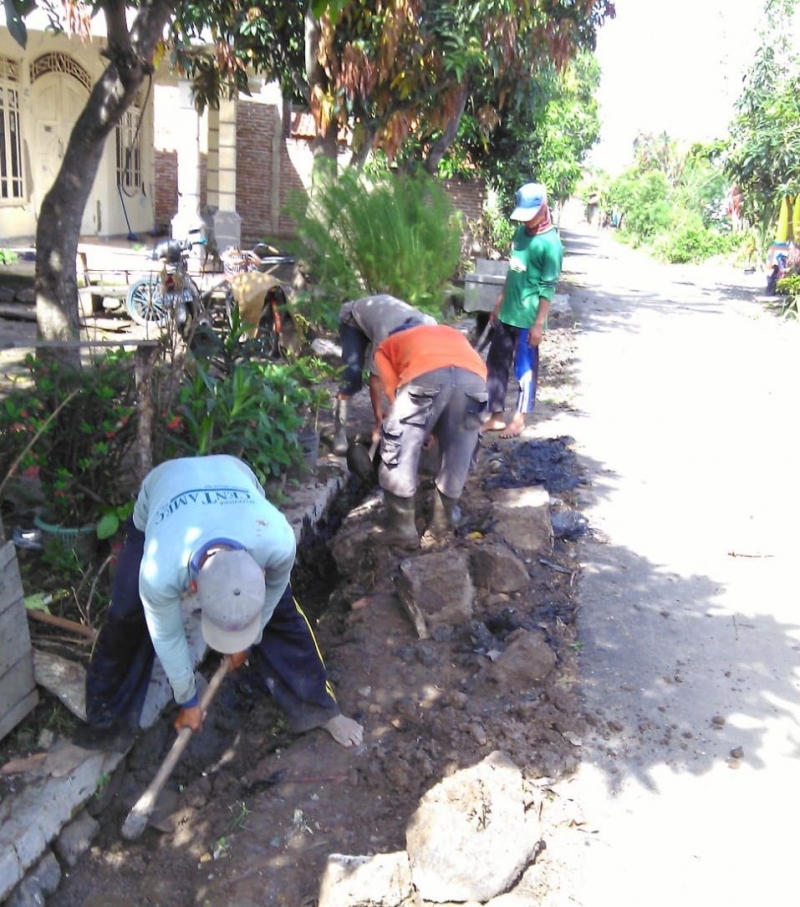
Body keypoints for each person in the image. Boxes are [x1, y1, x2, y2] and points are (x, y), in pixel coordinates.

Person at [80, 454, 363, 749]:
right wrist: (188, 700)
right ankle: (106, 720)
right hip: (164, 489)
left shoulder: (276, 540)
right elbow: (168, 637)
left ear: (260, 571)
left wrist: (248, 639)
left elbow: (271, 601)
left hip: (234, 474)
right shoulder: (159, 570)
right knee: (126, 614)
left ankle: (318, 708)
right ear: (193, 587)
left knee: (283, 613)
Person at [373, 323, 488, 548]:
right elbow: (456, 383)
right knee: (459, 451)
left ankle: (402, 529)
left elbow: (393, 394)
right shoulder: (451, 334)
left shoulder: (386, 347)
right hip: (474, 381)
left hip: (425, 378)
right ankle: (442, 524)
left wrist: (415, 428)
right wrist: (434, 425)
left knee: (399, 448)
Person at [481, 182, 564, 439]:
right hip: (507, 312)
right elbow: (513, 272)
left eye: (531, 215)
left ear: (543, 208)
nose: (527, 221)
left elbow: (547, 289)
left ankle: (519, 419)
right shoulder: (520, 233)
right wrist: (499, 302)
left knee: (524, 369)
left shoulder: (551, 245)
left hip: (528, 319)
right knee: (495, 364)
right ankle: (496, 416)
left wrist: (539, 324)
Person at [332, 294, 437, 455]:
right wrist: (379, 420)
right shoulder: (386, 335)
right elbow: (376, 381)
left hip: (382, 316)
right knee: (351, 377)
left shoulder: (430, 328)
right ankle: (339, 435)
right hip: (354, 319)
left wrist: (425, 427)